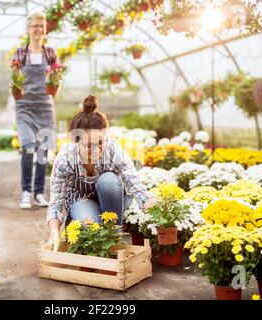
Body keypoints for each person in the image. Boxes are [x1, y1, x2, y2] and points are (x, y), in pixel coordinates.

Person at [46, 95, 156, 250]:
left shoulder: (112, 149)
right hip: (81, 200)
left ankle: (114, 235)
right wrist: (54, 233)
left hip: (112, 199)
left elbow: (134, 182)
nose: (97, 150)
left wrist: (152, 204)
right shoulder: (65, 158)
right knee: (92, 228)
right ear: (75, 142)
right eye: (89, 145)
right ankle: (82, 222)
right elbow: (56, 202)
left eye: (100, 142)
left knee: (109, 180)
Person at [11, 12, 60, 209]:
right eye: (34, 26)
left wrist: (55, 86)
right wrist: (16, 91)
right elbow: (14, 80)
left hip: (46, 108)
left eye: (41, 25)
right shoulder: (20, 53)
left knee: (42, 151)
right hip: (25, 107)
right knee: (29, 146)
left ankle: (39, 193)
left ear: (45, 29)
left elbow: (56, 80)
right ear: (28, 29)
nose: (38, 29)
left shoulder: (51, 53)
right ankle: (25, 191)